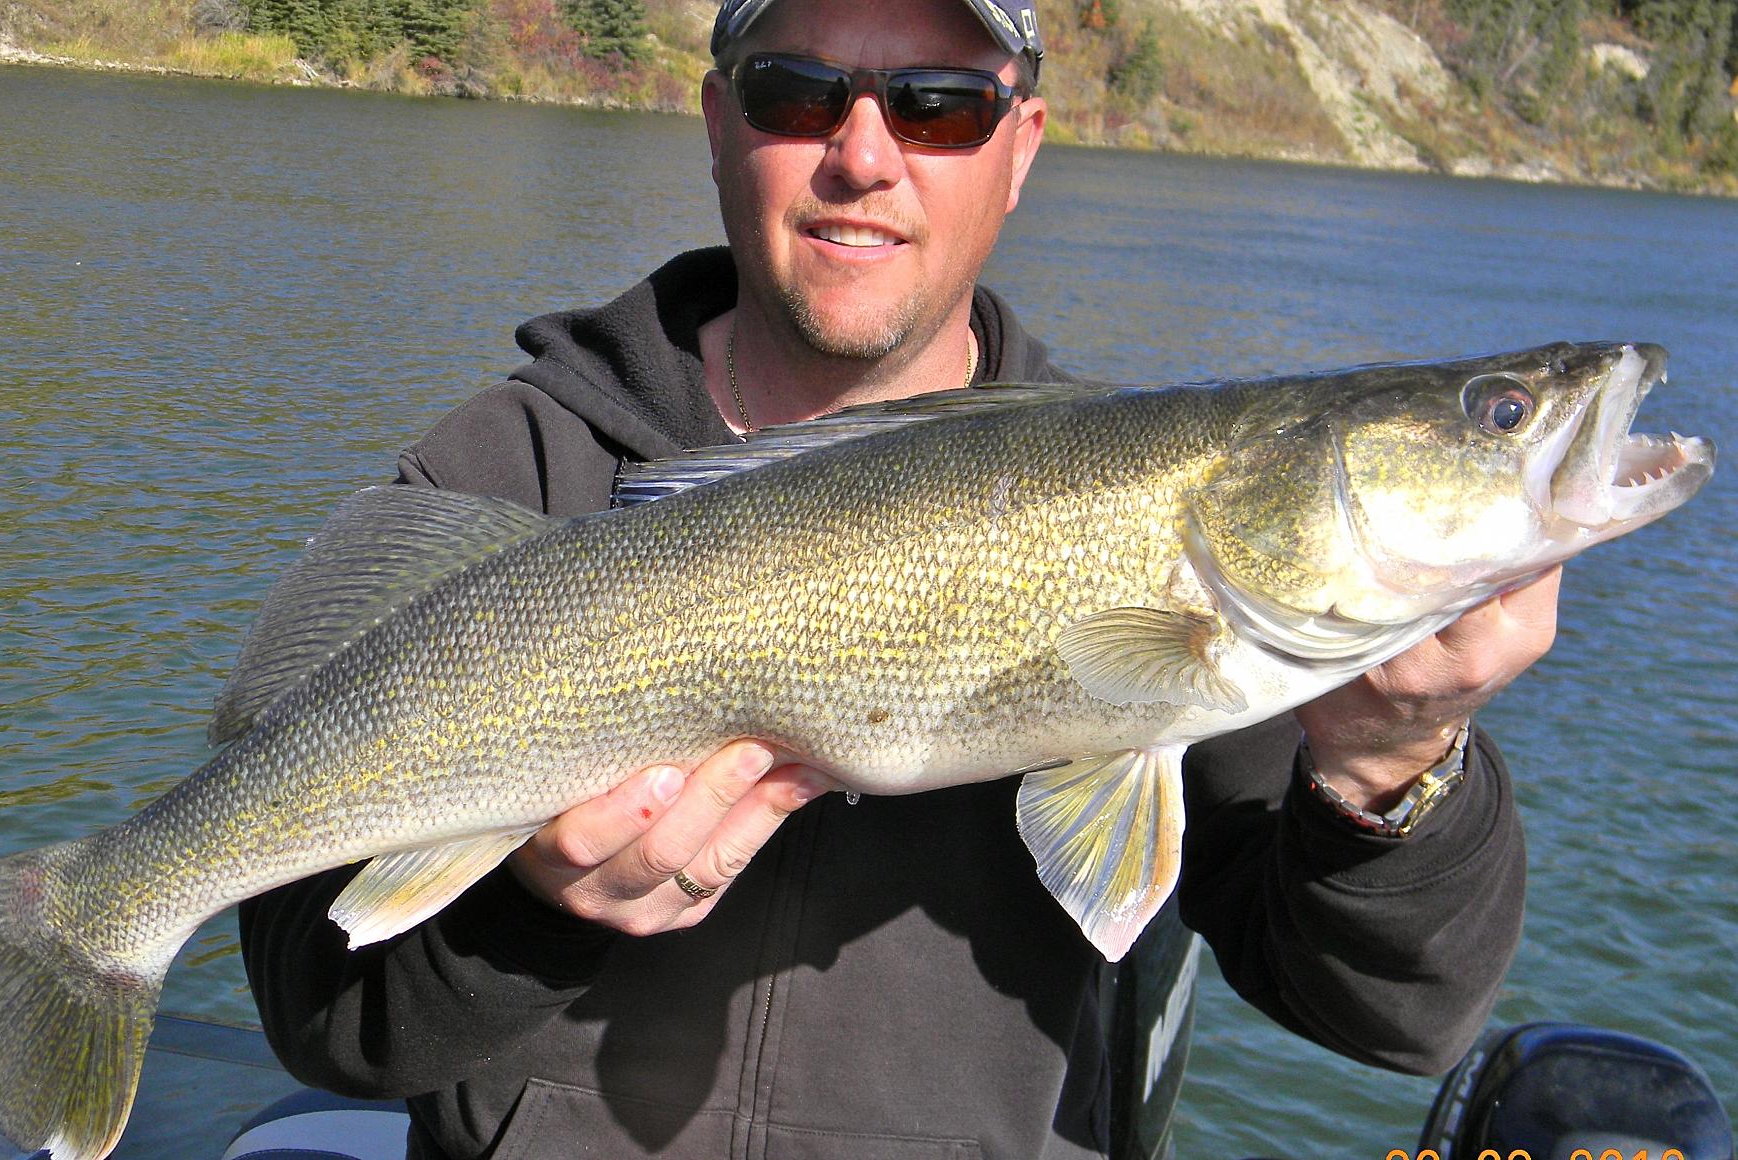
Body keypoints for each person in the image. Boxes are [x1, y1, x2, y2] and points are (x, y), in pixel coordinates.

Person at [240, 0, 1551, 1155]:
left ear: (1022, 145)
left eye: (938, 106)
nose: (862, 156)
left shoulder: (1174, 539)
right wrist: (527, 913)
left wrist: (1394, 760)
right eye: (798, 91)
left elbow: (1400, 1018)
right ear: (716, 119)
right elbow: (326, 1024)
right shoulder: (507, 470)